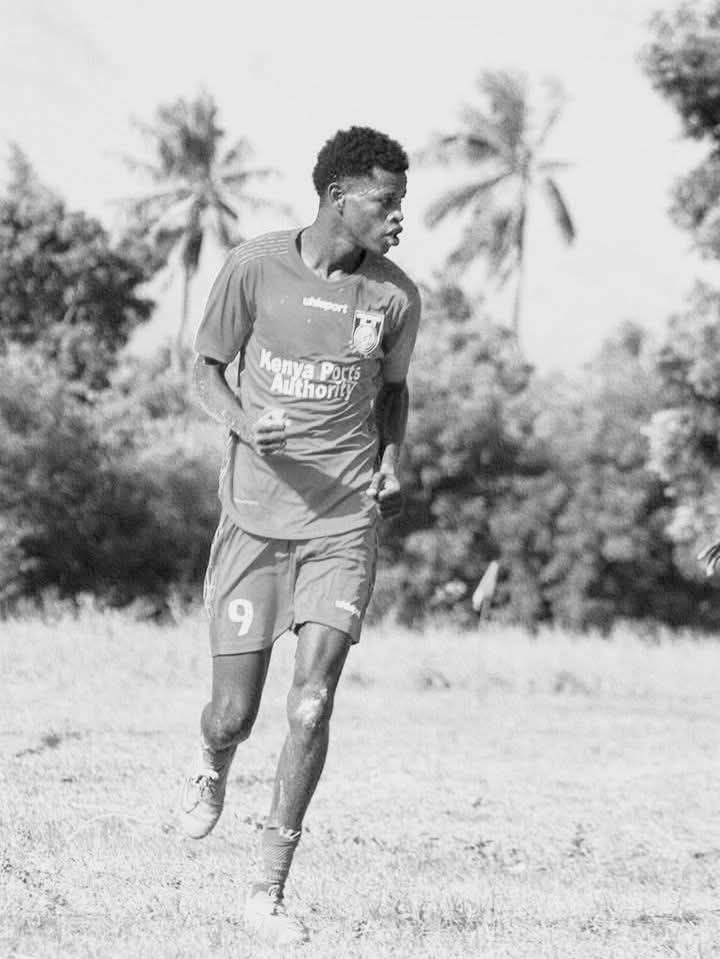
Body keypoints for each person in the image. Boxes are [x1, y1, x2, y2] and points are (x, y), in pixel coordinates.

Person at [177, 126, 421, 945]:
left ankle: (267, 893)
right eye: (386, 201)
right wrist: (248, 423)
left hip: (344, 524)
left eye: (402, 202)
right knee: (232, 715)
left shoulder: (395, 297)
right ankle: (210, 763)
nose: (398, 217)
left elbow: (394, 392)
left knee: (312, 704)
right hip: (254, 520)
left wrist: (390, 462)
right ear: (337, 198)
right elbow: (206, 369)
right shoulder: (254, 267)